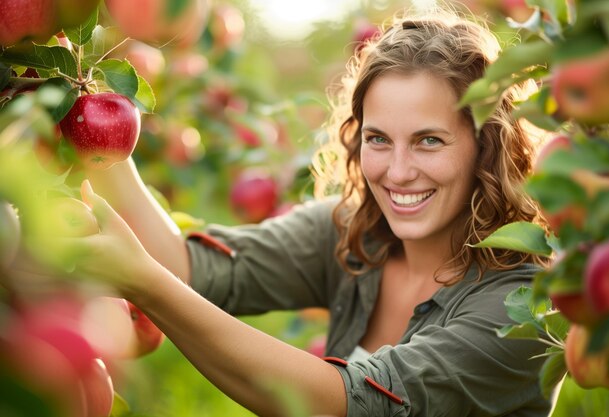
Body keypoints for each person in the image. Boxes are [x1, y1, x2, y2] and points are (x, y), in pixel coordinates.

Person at [45, 5, 553, 417]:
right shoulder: (357, 232)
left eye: (429, 141)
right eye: (378, 139)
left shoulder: (521, 309)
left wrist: (145, 284)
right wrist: (81, 97)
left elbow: (346, 405)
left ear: (486, 148)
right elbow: (193, 270)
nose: (398, 172)